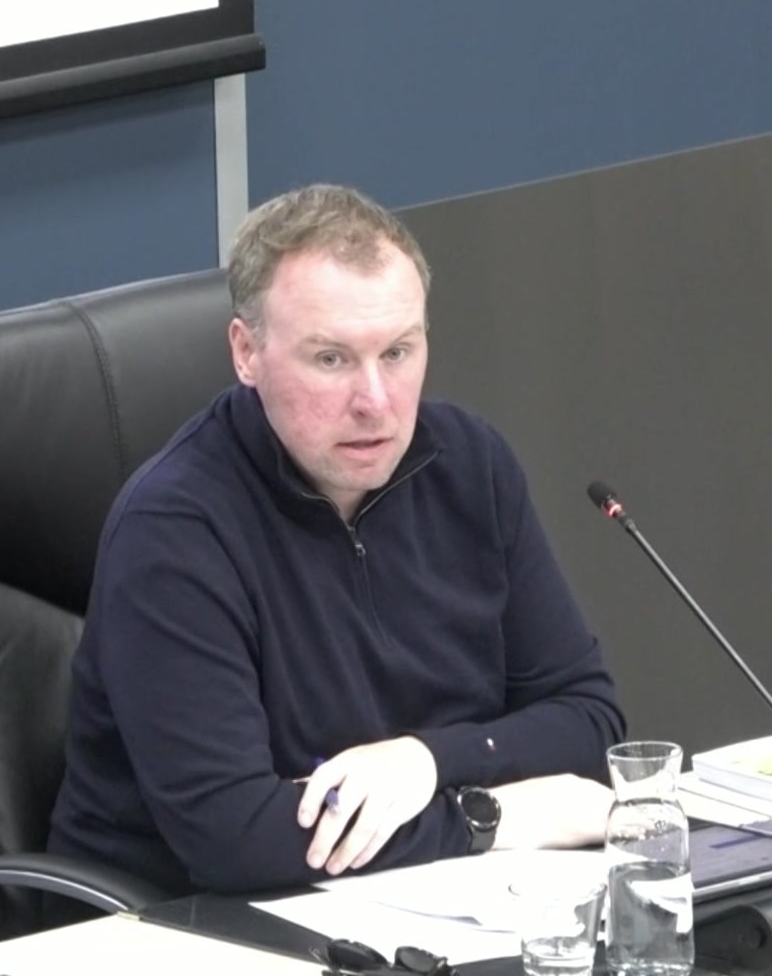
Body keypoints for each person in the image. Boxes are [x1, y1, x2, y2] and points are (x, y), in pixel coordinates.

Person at [49, 184, 626, 897]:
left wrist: (423, 761)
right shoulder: (173, 529)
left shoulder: (471, 465)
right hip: (182, 924)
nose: (375, 401)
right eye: (331, 359)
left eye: (398, 351)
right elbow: (239, 836)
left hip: (426, 899)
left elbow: (590, 725)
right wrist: (491, 815)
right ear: (247, 352)